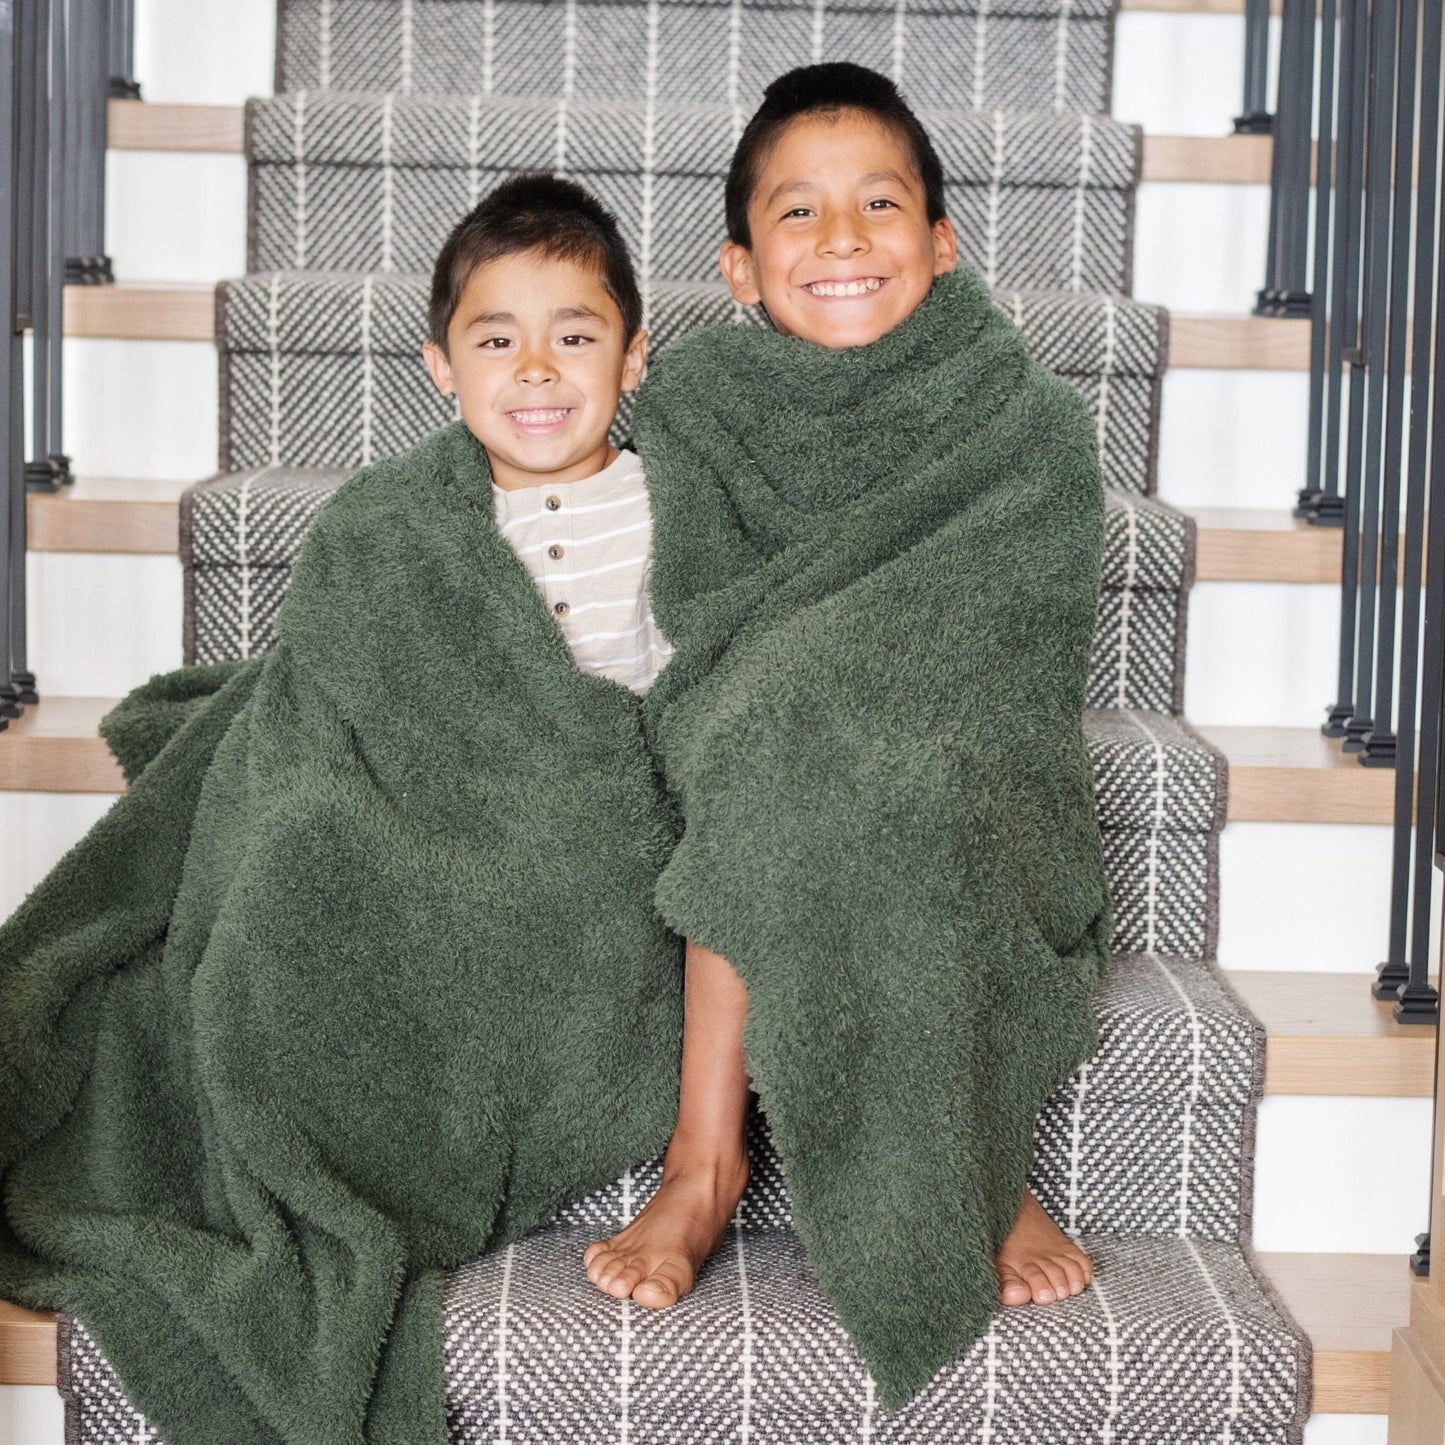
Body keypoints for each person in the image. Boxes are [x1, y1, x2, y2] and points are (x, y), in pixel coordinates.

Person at [583, 62, 1102, 1329]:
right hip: (767, 733)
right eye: (797, 214)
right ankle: (704, 1157)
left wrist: (871, 680)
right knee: (768, 738)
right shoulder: (700, 405)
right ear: (740, 269)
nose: (842, 240)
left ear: (939, 240)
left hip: (967, 746)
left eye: (878, 204)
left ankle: (976, 1168)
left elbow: (1015, 634)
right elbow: (701, 608)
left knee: (904, 769)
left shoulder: (1019, 418)